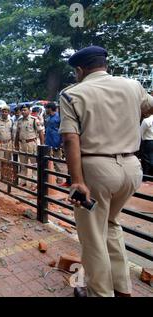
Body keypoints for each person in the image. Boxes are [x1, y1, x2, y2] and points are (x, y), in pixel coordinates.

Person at [59, 45, 153, 297]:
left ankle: (99, 293)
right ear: (104, 64)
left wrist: (77, 181)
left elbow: (70, 138)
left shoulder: (72, 94)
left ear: (80, 70)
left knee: (92, 238)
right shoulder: (133, 86)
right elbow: (150, 107)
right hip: (132, 169)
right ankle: (122, 288)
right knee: (111, 225)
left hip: (96, 170)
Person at [14, 104, 44, 187]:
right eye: (22, 110)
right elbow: (17, 133)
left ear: (29, 111)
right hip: (22, 144)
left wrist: (42, 145)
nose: (23, 112)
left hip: (31, 144)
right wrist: (16, 144)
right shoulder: (19, 121)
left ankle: (34, 183)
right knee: (23, 164)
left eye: (25, 110)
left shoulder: (34, 120)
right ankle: (23, 181)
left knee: (34, 164)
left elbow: (41, 132)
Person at [44, 102, 64, 184]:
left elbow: (62, 130)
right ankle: (50, 179)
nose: (45, 110)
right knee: (48, 161)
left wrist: (61, 142)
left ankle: (59, 179)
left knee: (57, 162)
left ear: (50, 108)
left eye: (46, 108)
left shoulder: (58, 118)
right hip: (48, 142)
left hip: (56, 143)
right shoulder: (48, 117)